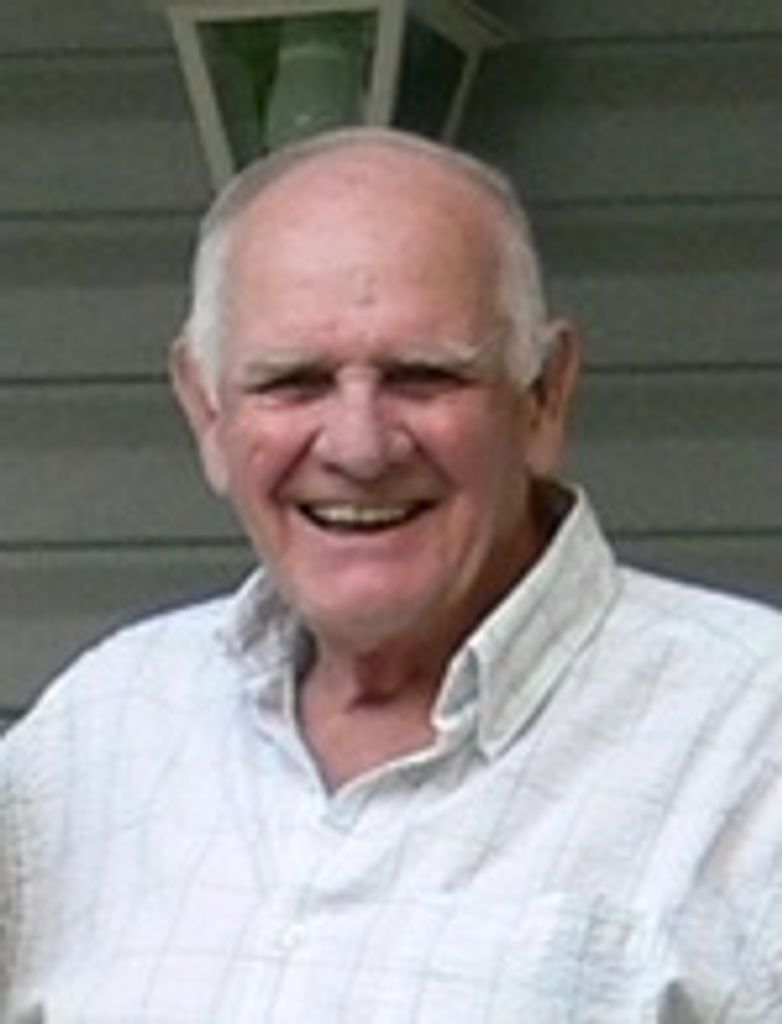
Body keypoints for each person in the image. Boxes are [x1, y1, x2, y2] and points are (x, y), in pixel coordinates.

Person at [2, 126, 781, 1022]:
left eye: (422, 376)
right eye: (293, 382)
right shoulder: (98, 729)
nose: (360, 448)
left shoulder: (751, 744)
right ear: (207, 410)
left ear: (543, 395)